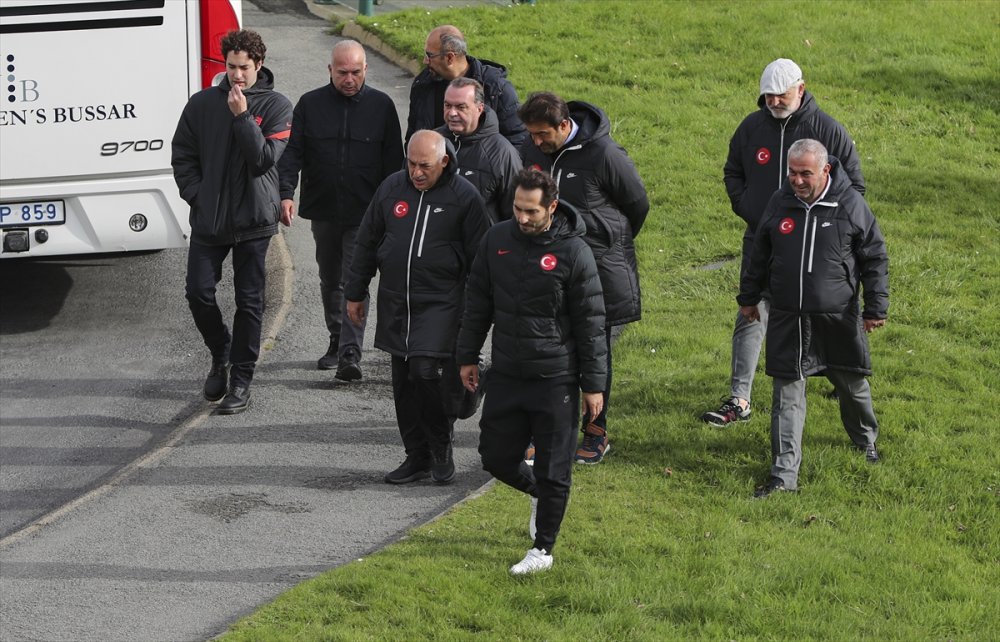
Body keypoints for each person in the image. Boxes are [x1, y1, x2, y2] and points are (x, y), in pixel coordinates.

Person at [702, 58, 866, 427]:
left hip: (818, 244)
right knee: (751, 310)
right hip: (763, 239)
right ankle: (738, 398)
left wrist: (828, 230)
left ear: (801, 89)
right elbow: (733, 171)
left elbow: (854, 188)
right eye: (768, 96)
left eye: (782, 95)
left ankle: (842, 373)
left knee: (828, 313)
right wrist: (749, 210)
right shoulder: (751, 128)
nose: (774, 102)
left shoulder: (827, 130)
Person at [457, 168, 606, 574]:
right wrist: (467, 355)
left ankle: (543, 550)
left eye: (531, 211)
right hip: (507, 371)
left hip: (556, 378)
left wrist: (593, 386)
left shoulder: (574, 253)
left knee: (555, 467)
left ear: (552, 208)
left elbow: (592, 324)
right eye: (517, 209)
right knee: (495, 458)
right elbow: (478, 300)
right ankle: (540, 494)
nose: (521, 218)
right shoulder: (497, 239)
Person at [738, 139, 888, 498]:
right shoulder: (780, 202)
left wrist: (875, 308)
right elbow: (759, 252)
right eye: (792, 172)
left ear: (825, 170)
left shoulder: (850, 204)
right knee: (786, 396)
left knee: (853, 385)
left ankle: (866, 443)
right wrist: (748, 297)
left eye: (805, 173)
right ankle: (783, 476)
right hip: (787, 317)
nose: (797, 180)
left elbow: (874, 257)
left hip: (837, 318)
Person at [344, 130, 490, 486]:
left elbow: (481, 260)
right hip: (397, 302)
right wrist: (355, 292)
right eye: (411, 163)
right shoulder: (391, 189)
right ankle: (417, 455)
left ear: (444, 161)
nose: (416, 172)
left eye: (424, 165)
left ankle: (441, 448)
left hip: (443, 304)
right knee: (403, 383)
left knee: (425, 373)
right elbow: (367, 241)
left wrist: (477, 311)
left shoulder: (464, 198)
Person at [518, 91, 648, 465]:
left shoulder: (604, 154)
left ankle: (596, 432)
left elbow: (637, 204)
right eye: (532, 136)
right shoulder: (533, 151)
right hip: (546, 269)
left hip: (596, 272)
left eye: (543, 135)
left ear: (564, 125)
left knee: (594, 352)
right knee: (549, 351)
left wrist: (609, 241)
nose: (537, 143)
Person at [171, 29, 293, 415]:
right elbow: (183, 155)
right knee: (198, 292)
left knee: (250, 303)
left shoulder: (277, 107)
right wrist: (198, 195)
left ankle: (241, 381)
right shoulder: (202, 104)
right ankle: (219, 350)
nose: (236, 75)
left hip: (255, 221)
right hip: (211, 220)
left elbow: (261, 160)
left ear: (259, 64)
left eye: (244, 67)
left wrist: (243, 117)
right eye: (230, 67)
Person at [277, 40, 403, 381]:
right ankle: (336, 338)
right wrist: (285, 194)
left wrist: (392, 212)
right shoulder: (310, 105)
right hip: (325, 210)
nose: (350, 79)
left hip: (366, 214)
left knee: (353, 279)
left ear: (366, 70)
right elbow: (293, 154)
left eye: (357, 73)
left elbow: (394, 166)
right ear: (330, 70)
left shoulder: (381, 106)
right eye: (343, 72)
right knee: (329, 278)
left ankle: (350, 351)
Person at [406, 25, 526, 148]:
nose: (425, 61)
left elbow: (517, 141)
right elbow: (412, 138)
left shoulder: (496, 89)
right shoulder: (423, 84)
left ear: (449, 57)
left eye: (429, 55)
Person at [436, 78, 521, 225]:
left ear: (479, 108)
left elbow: (514, 214)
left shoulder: (502, 154)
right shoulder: (431, 142)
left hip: (478, 245)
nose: (452, 113)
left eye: (461, 107)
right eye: (447, 105)